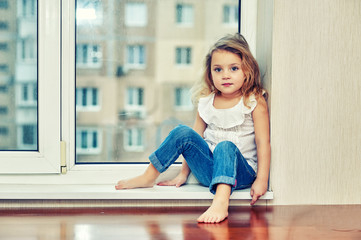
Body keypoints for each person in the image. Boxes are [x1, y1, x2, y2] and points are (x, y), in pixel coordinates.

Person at [115, 33, 271, 224]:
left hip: (241, 174)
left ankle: (220, 202)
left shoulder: (254, 100)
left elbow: (263, 143)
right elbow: (194, 141)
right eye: (218, 69)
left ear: (247, 71)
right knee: (182, 132)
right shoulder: (206, 102)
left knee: (225, 146)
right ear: (210, 74)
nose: (225, 75)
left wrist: (261, 180)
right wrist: (183, 174)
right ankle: (149, 176)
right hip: (210, 173)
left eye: (234, 68)